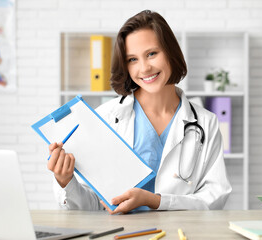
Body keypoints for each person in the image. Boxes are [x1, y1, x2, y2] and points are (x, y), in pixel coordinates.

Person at [47, 10, 231, 214]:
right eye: (132, 59)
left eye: (152, 54)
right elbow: (92, 207)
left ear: (170, 52)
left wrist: (156, 201)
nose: (144, 68)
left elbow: (215, 198)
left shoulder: (206, 122)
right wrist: (66, 182)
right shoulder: (106, 117)